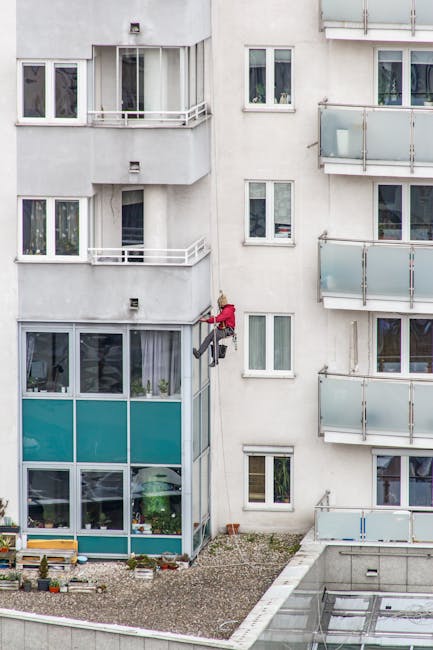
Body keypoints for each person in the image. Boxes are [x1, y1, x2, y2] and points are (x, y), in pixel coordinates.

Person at [193, 293, 235, 366]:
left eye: (219, 304)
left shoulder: (227, 310)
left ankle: (215, 361)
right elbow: (220, 318)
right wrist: (211, 318)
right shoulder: (226, 310)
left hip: (228, 330)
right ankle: (199, 353)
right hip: (223, 329)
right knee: (209, 337)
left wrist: (206, 320)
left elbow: (218, 319)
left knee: (215, 339)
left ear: (221, 303)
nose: (219, 306)